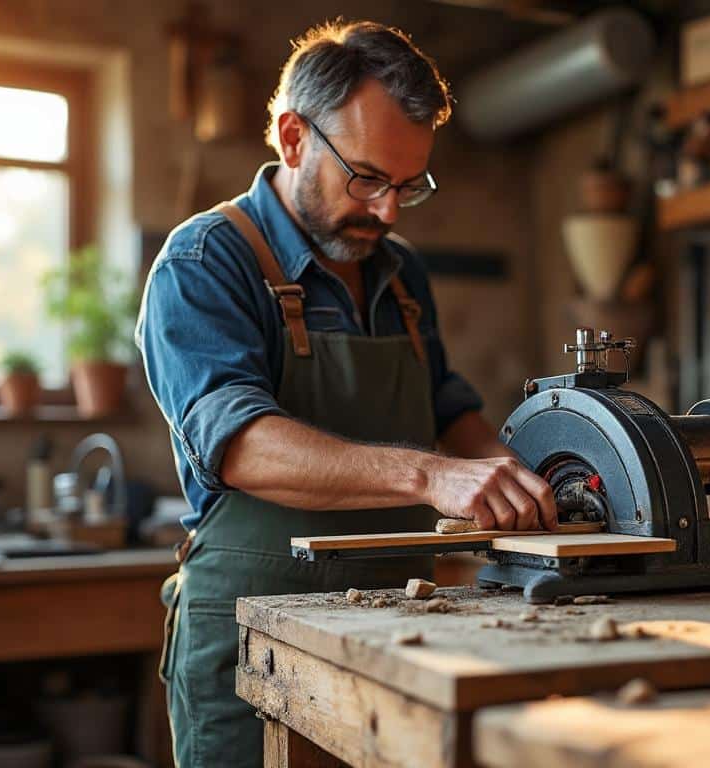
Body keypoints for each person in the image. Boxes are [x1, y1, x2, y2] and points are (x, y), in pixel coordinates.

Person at [136, 20, 558, 766]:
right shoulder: (204, 262)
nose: (389, 212)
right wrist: (431, 476)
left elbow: (449, 410)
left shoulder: (401, 272)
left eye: (409, 186)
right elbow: (240, 446)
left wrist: (529, 486)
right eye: (367, 178)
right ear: (293, 138)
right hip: (250, 637)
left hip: (403, 630)